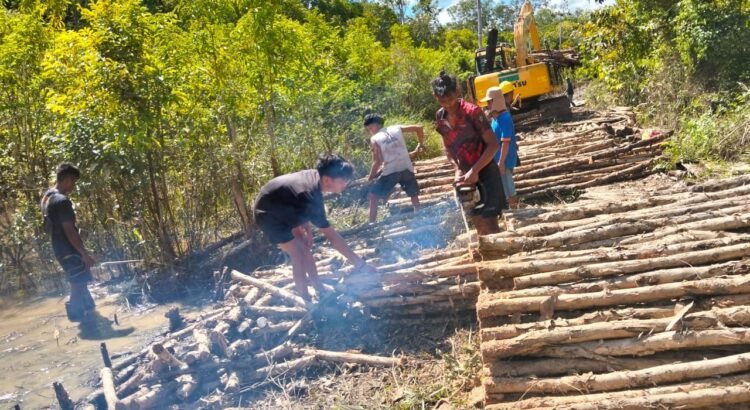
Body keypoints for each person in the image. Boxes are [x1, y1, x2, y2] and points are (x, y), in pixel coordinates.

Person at [253, 154, 377, 301]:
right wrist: (360, 264)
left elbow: (299, 204)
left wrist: (308, 231)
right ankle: (306, 300)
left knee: (305, 249)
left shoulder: (316, 179)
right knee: (298, 254)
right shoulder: (311, 193)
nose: (345, 184)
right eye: (342, 181)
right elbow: (332, 238)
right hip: (268, 214)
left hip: (284, 205)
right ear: (327, 180)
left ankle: (318, 286)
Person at [431, 70, 505, 235]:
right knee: (477, 221)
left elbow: (493, 145)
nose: (448, 104)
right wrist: (457, 169)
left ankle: (498, 247)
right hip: (465, 176)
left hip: (485, 171)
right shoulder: (440, 117)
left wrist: (475, 170)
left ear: (457, 92)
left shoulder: (472, 112)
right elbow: (448, 148)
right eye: (443, 101)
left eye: (450, 99)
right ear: (435, 97)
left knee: (490, 222)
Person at [41, 163, 96, 322]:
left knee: (81, 280)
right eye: (73, 181)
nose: (74, 186)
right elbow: (69, 230)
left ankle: (91, 314)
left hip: (58, 247)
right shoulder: (62, 201)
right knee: (77, 284)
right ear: (67, 179)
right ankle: (80, 321)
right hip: (69, 249)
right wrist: (84, 254)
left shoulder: (47, 196)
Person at [364, 113, 426, 223]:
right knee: (414, 195)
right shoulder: (396, 128)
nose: (369, 130)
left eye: (369, 128)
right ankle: (419, 217)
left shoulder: (374, 138)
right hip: (406, 168)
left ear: (375, 125)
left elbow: (378, 161)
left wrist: (370, 178)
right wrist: (421, 144)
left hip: (391, 172)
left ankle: (371, 224)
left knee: (373, 197)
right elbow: (419, 127)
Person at [482, 82, 520, 209]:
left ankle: (516, 212)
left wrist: (501, 162)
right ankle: (511, 211)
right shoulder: (496, 118)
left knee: (509, 188)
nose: (488, 104)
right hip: (499, 159)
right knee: (503, 187)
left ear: (496, 101)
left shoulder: (505, 118)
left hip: (505, 159)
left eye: (489, 101)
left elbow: (505, 142)